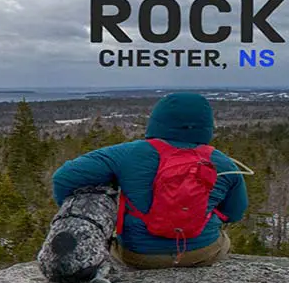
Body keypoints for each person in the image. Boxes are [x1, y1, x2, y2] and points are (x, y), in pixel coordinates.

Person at [51, 92, 249, 270]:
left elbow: (64, 178)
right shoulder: (224, 163)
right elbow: (234, 213)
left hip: (139, 256)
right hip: (202, 253)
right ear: (207, 125)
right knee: (223, 240)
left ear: (157, 120)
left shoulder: (126, 153)